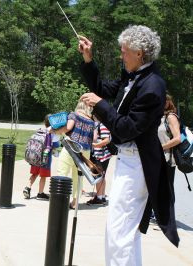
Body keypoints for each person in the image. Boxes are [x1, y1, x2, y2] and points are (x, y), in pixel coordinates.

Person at [78, 25, 179, 265]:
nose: (120, 55)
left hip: (138, 165)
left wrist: (101, 105)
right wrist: (88, 59)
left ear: (140, 53)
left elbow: (125, 128)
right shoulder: (134, 76)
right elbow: (102, 89)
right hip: (128, 161)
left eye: (124, 51)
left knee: (119, 232)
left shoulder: (153, 86)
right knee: (126, 233)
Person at [54, 99, 95, 209]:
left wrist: (56, 130)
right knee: (78, 177)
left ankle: (60, 200)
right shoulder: (92, 121)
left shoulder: (74, 115)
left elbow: (68, 127)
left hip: (71, 148)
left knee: (62, 172)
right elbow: (94, 138)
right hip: (85, 152)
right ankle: (75, 202)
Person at [23, 115, 60, 200]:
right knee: (43, 176)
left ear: (45, 122)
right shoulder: (53, 133)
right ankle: (40, 193)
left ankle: (27, 188)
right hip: (45, 159)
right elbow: (56, 145)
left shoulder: (41, 131)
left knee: (34, 174)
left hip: (36, 157)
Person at [158, 94, 181, 201]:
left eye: (164, 101)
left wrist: (161, 147)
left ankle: (170, 217)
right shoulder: (159, 117)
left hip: (167, 159)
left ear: (168, 102)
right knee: (158, 189)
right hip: (157, 158)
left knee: (167, 191)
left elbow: (177, 139)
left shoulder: (171, 117)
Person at [87, 119, 112, 205]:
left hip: (101, 155)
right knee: (101, 176)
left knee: (98, 176)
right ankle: (102, 196)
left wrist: (94, 145)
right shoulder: (100, 124)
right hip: (101, 155)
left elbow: (106, 140)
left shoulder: (102, 125)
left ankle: (99, 198)